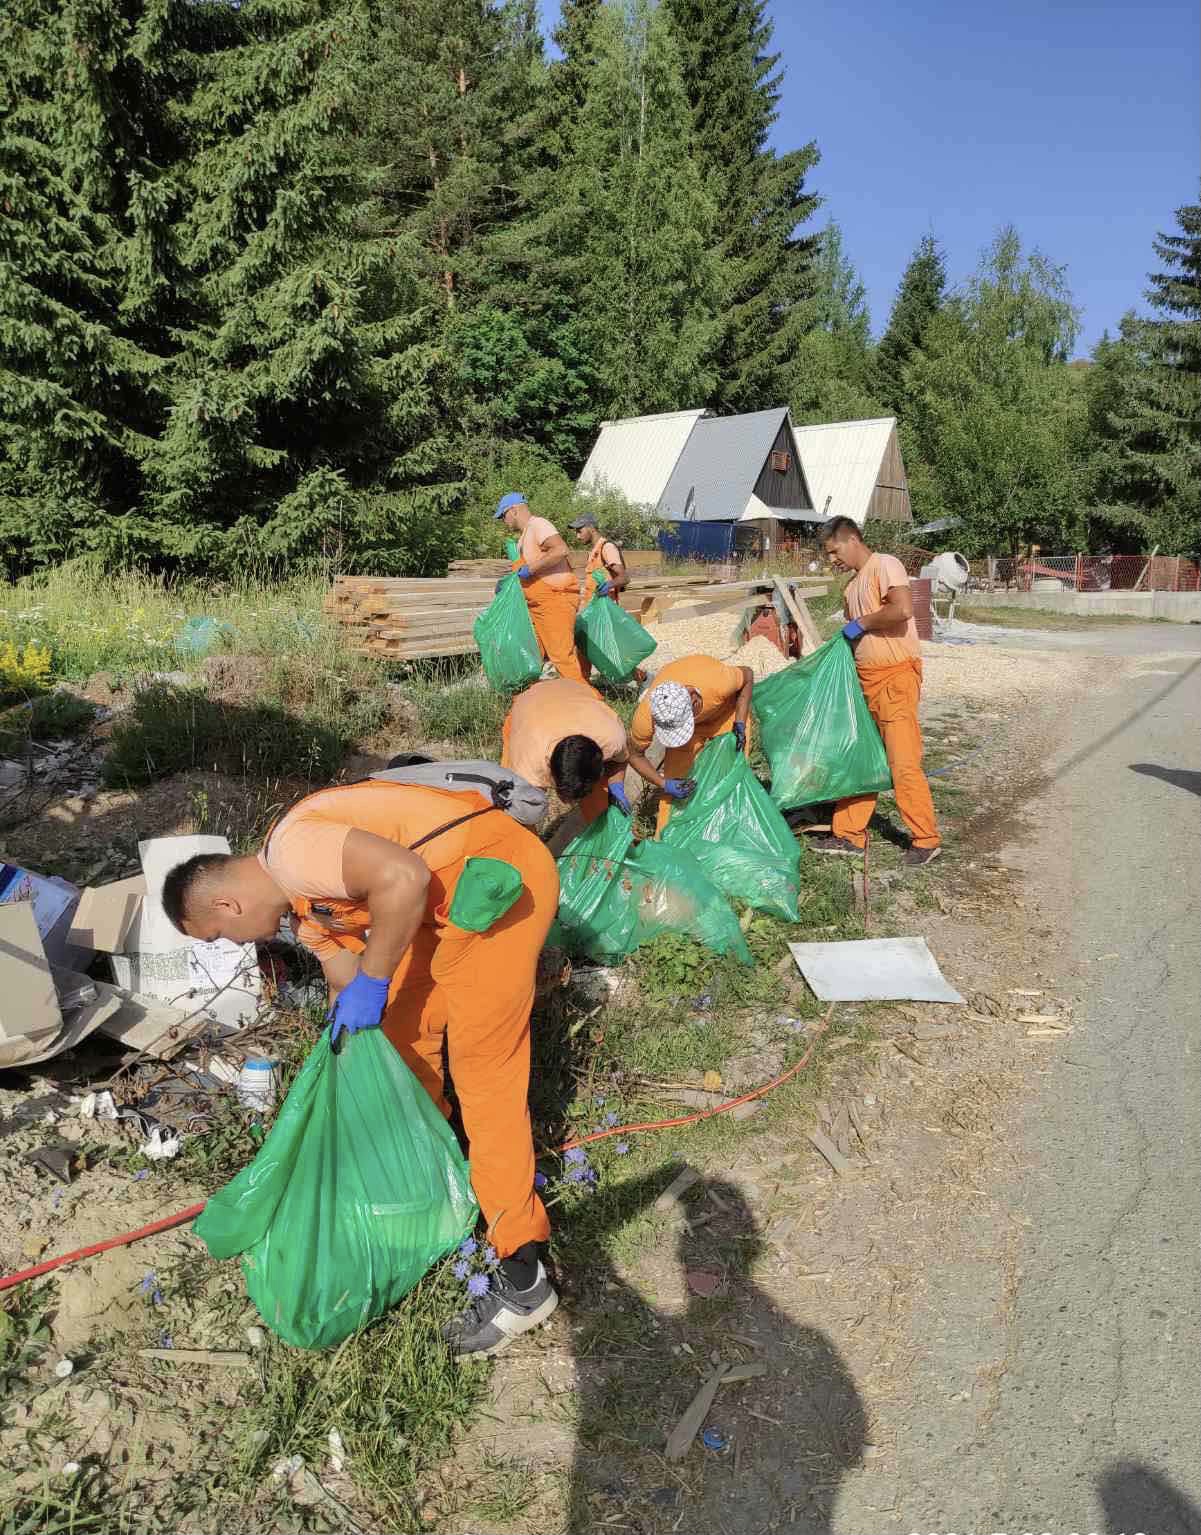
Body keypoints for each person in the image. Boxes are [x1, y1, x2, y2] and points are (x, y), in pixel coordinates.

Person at [160, 779, 561, 1357]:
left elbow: (405, 878)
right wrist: (343, 1044)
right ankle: (431, 1183)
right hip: (440, 916)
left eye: (221, 934)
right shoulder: (304, 915)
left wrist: (374, 982)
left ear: (227, 904)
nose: (235, 942)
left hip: (496, 884)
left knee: (485, 1077)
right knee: (399, 1043)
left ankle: (524, 1274)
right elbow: (347, 980)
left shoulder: (294, 853)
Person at [812, 515, 941, 867]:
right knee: (862, 760)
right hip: (866, 681)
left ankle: (926, 839)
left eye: (834, 551)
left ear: (852, 538)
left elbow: (901, 610)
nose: (832, 559)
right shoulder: (851, 587)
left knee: (902, 763)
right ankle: (849, 835)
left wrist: (863, 622)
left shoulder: (885, 564)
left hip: (896, 678)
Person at [627, 654, 754, 833]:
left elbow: (748, 675)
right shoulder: (646, 717)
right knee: (676, 784)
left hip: (725, 713)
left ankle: (732, 828)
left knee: (733, 772)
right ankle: (667, 839)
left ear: (694, 697)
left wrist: (739, 722)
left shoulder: (717, 682)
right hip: (694, 727)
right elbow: (634, 755)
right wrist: (664, 783)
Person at [501, 676, 634, 823]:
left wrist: (617, 787)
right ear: (551, 773)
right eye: (565, 796)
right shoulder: (527, 764)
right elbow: (518, 807)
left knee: (599, 808)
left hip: (573, 691)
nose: (569, 804)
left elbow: (620, 760)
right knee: (517, 809)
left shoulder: (612, 738)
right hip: (528, 707)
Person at [494, 492, 587, 685]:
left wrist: (531, 569)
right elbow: (526, 571)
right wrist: (508, 583)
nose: (503, 521)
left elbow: (561, 550)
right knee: (533, 652)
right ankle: (543, 703)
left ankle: (588, 706)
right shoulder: (523, 538)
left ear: (513, 510)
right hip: (537, 605)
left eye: (503, 516)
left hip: (555, 599)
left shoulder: (538, 525)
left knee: (562, 657)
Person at [568, 511, 633, 684]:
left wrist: (609, 585)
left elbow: (624, 577)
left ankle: (641, 677)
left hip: (604, 611)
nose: (577, 535)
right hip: (592, 610)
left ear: (591, 528)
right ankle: (582, 684)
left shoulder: (607, 548)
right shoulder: (594, 551)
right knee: (585, 647)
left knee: (608, 651)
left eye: (579, 530)